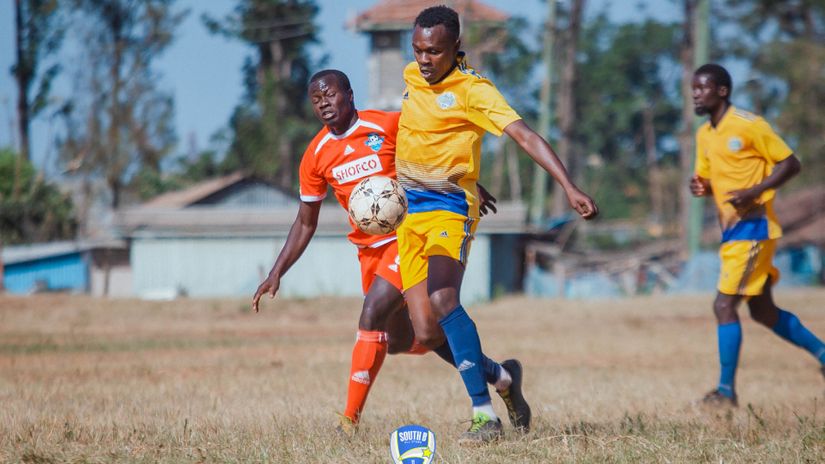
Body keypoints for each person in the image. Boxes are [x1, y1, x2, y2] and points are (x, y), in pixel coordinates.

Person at [251, 69, 514, 434]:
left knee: (372, 311)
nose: (324, 103)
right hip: (369, 253)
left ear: (350, 94)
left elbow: (429, 153)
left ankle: (348, 422)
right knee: (410, 339)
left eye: (330, 94)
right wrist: (277, 270)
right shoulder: (315, 156)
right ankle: (500, 375)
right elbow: (305, 221)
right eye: (316, 99)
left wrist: (467, 183)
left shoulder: (385, 125)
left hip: (408, 235)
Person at [396, 6, 598, 443]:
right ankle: (505, 379)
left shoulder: (475, 89)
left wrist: (569, 186)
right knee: (427, 333)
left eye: (433, 51)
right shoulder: (412, 75)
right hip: (407, 211)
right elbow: (425, 134)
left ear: (455, 48)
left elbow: (524, 135)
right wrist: (471, 173)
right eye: (418, 50)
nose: (424, 59)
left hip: (449, 207)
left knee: (445, 299)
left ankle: (484, 417)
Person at [690, 63, 825, 407]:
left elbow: (790, 163)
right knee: (763, 311)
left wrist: (755, 191)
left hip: (754, 229)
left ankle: (725, 391)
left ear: (722, 91)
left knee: (724, 305)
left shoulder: (750, 125)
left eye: (702, 88)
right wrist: (700, 187)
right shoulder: (705, 134)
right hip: (732, 231)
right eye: (693, 89)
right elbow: (707, 180)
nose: (695, 94)